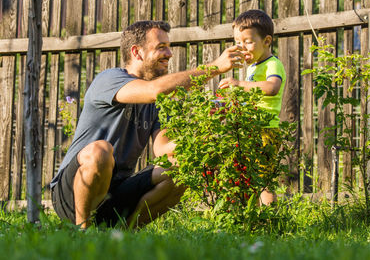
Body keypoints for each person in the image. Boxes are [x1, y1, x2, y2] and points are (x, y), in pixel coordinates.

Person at [50, 20, 245, 228]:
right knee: (101, 150)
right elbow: (154, 91)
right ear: (136, 52)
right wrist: (213, 68)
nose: (169, 54)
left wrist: (208, 122)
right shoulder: (109, 79)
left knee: (180, 172)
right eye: (161, 47)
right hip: (71, 194)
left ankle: (123, 234)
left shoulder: (157, 105)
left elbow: (164, 150)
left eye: (168, 47)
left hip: (116, 192)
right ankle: (82, 232)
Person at [218, 9, 287, 205]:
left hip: (265, 130)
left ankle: (270, 219)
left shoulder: (273, 64)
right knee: (247, 176)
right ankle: (252, 217)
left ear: (266, 41)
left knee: (263, 179)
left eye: (248, 41)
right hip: (250, 128)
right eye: (238, 42)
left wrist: (240, 85)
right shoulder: (253, 67)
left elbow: (272, 88)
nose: (242, 47)